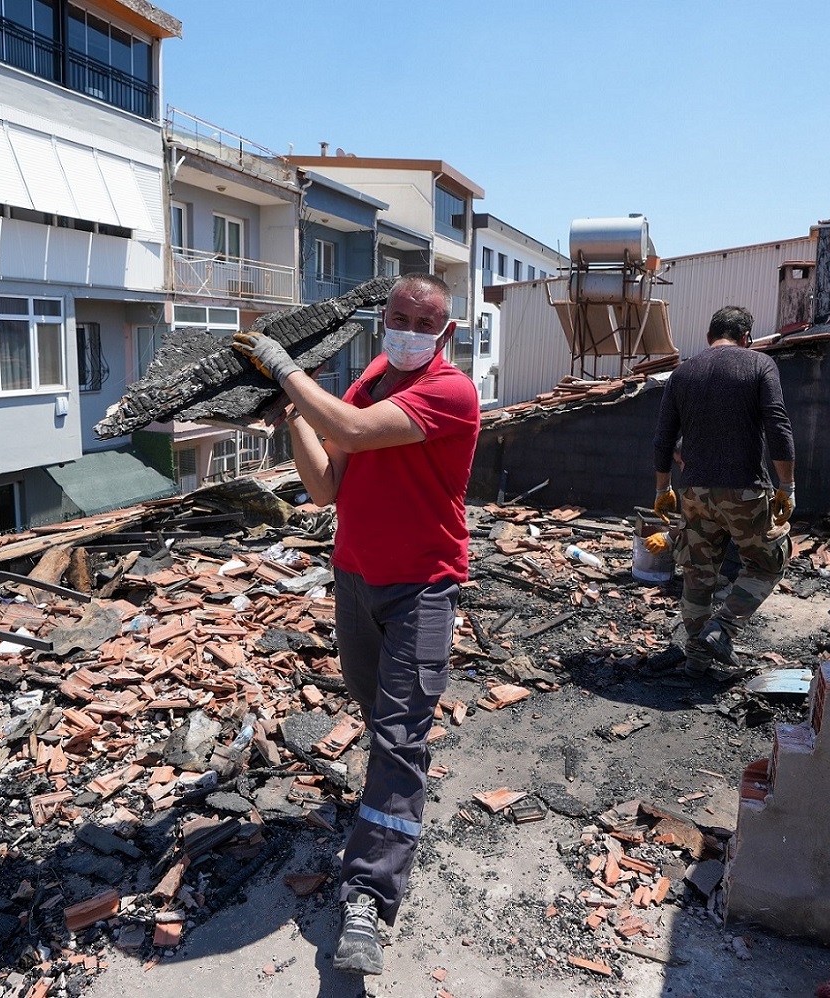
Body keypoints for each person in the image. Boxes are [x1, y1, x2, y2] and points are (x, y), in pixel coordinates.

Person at [233, 274, 479, 977]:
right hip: (356, 580)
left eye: (420, 321)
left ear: (445, 332)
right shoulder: (371, 374)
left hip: (423, 589)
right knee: (382, 722)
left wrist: (287, 371)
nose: (405, 329)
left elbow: (354, 431)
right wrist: (296, 416)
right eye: (396, 317)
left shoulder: (450, 392)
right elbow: (324, 485)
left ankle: (368, 897)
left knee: (401, 737)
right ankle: (393, 804)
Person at [651, 305, 795, 677]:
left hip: (694, 493)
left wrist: (663, 488)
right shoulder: (759, 365)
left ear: (708, 336)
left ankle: (697, 661)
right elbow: (778, 425)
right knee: (768, 562)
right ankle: (722, 629)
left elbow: (663, 438)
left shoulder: (682, 373)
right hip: (745, 490)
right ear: (746, 338)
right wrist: (787, 487)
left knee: (698, 573)